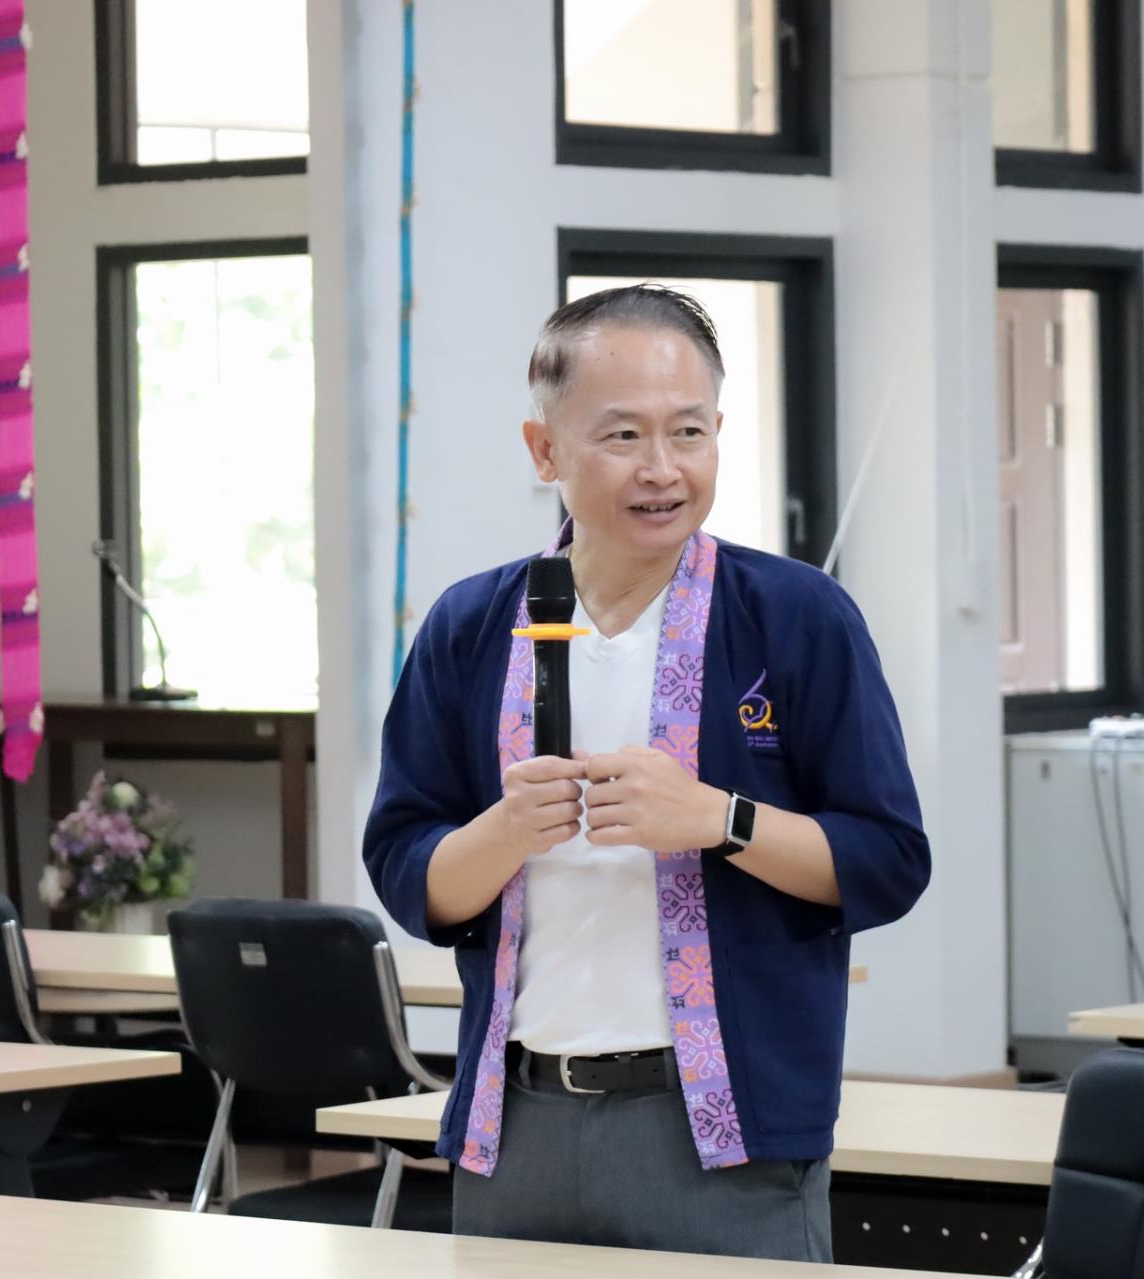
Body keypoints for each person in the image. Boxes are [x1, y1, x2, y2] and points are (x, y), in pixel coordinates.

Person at [364, 284, 928, 1261]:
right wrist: (504, 832)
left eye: (689, 432)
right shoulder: (470, 625)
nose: (662, 468)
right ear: (545, 449)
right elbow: (410, 873)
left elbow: (888, 859)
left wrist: (721, 819)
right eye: (622, 435)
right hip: (516, 1127)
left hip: (724, 1138)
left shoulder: (797, 616)